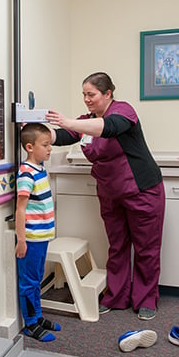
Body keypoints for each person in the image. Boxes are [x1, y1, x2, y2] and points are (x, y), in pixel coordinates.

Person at [46, 72, 165, 321]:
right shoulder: (87, 120)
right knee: (117, 246)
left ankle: (145, 299)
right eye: (84, 95)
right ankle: (117, 296)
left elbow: (109, 128)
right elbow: (67, 136)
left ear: (108, 93)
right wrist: (39, 133)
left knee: (146, 248)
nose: (87, 99)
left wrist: (67, 121)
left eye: (92, 94)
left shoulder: (123, 112)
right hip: (111, 193)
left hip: (142, 190)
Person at [15, 123, 61, 341]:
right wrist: (21, 240)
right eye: (45, 145)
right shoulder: (26, 174)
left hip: (42, 237)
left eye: (50, 144)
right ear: (30, 147)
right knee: (29, 281)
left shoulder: (40, 169)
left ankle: (38, 316)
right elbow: (20, 209)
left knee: (37, 277)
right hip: (31, 239)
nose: (50, 149)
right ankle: (30, 324)